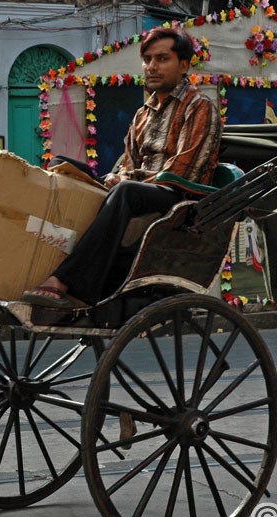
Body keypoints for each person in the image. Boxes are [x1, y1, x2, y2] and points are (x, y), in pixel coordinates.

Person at [24, 27, 223, 308]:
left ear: (184, 66)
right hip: (138, 192)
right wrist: (116, 176)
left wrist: (127, 179)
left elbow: (184, 170)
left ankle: (66, 282)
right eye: (147, 59)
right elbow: (128, 161)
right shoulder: (144, 113)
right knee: (62, 166)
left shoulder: (199, 106)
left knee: (126, 191)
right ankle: (35, 265)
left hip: (178, 200)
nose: (152, 67)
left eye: (162, 59)